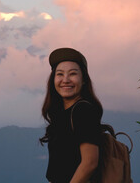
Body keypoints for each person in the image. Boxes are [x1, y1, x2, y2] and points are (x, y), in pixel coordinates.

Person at [40, 48, 103, 183]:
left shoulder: (83, 111)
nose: (66, 80)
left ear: (84, 79)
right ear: (53, 80)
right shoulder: (61, 114)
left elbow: (90, 162)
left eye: (73, 74)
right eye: (60, 74)